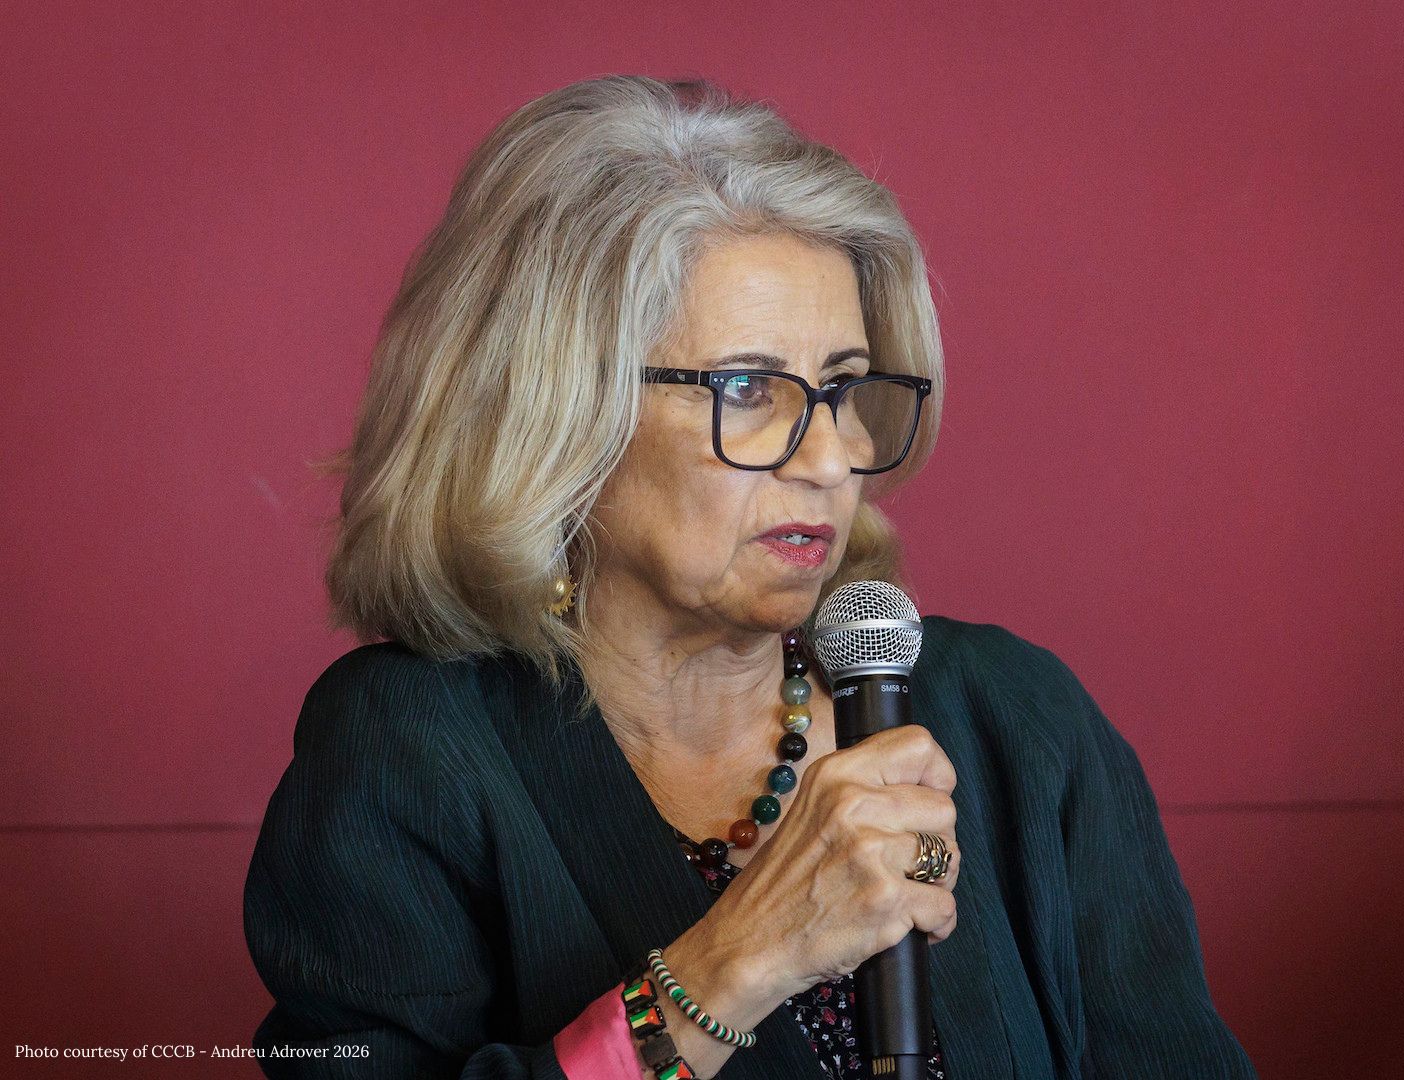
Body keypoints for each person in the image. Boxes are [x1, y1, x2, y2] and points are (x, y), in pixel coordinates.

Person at [242, 75, 1258, 1080]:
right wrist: (737, 963)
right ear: (555, 414)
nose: (833, 457)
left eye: (843, 389)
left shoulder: (1016, 721)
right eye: (746, 387)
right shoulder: (406, 754)